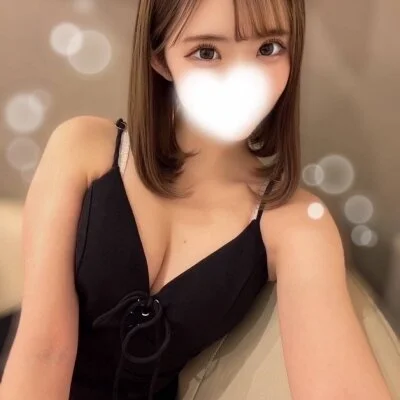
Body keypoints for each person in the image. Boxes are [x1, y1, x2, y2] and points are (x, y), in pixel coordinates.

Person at [0, 0, 393, 399]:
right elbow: (43, 352)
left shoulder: (295, 222)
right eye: (207, 52)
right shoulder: (83, 148)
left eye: (268, 48)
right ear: (160, 59)